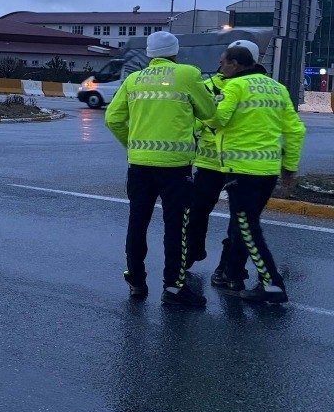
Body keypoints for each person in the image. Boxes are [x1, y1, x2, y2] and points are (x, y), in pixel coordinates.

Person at [104, 30, 216, 307]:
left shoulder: (133, 79)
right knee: (176, 227)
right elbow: (210, 113)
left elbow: (113, 119)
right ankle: (174, 288)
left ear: (150, 54)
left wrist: (133, 146)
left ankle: (136, 281)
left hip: (139, 166)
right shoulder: (188, 74)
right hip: (175, 168)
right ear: (174, 52)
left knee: (137, 223)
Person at [204, 41, 306, 304]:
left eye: (223, 62)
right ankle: (232, 274)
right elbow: (295, 130)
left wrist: (204, 111)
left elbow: (218, 120)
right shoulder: (277, 88)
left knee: (248, 229)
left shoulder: (234, 86)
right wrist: (290, 166)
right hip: (268, 170)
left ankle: (272, 284)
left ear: (235, 64)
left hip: (241, 170)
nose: (220, 67)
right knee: (242, 226)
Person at [182, 42, 247, 271]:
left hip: (236, 163)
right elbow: (195, 115)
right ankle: (193, 252)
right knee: (197, 210)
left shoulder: (249, 87)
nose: (220, 66)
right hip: (210, 162)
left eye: (223, 62)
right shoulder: (209, 86)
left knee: (237, 218)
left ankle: (226, 265)